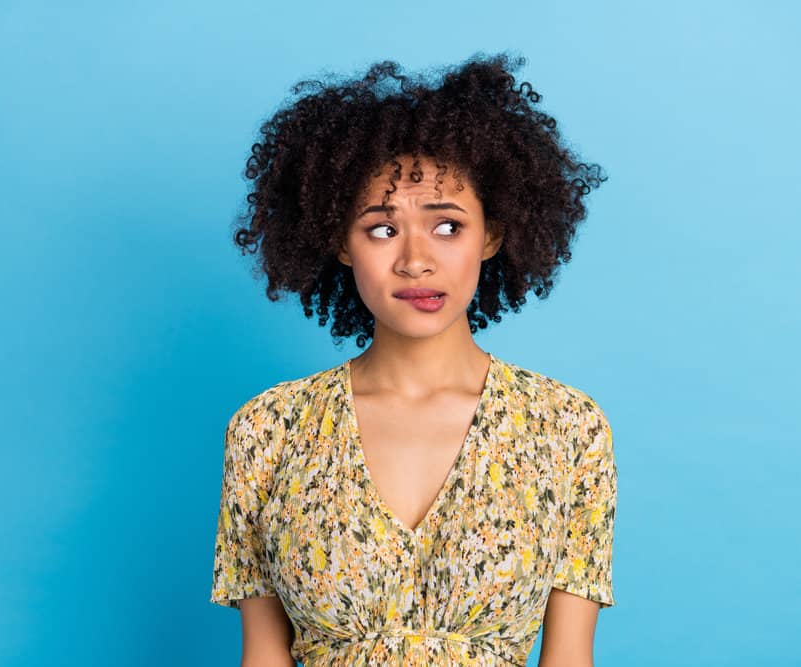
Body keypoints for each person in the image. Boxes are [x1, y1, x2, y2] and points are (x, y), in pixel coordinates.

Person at [210, 51, 618, 667]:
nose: (415, 260)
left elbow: (569, 660)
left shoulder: (566, 428)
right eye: (381, 228)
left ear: (493, 235)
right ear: (338, 243)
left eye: (448, 226)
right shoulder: (268, 429)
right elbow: (262, 658)